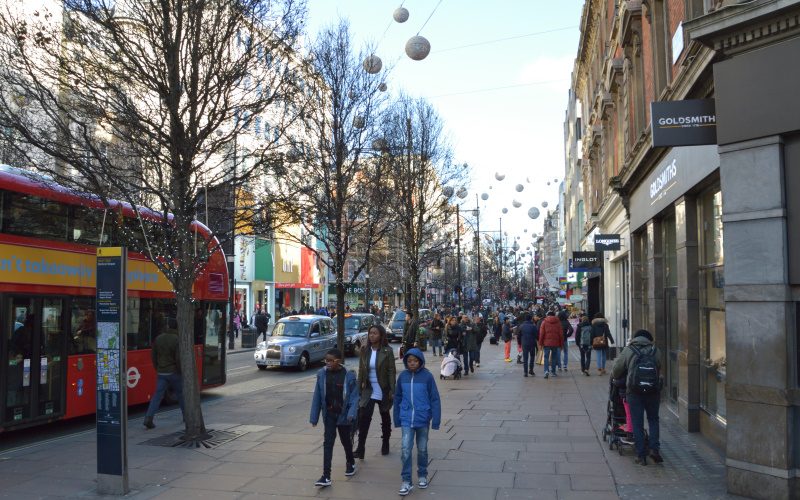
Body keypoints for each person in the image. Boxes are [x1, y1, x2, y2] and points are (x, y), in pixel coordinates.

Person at [611, 329, 663, 466]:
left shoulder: (629, 350)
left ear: (635, 338)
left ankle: (641, 456)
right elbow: (659, 368)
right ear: (649, 339)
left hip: (634, 391)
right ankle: (654, 449)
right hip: (653, 390)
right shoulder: (655, 350)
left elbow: (616, 371)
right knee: (653, 419)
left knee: (637, 422)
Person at [394, 348, 441, 496]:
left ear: (420, 361)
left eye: (414, 361)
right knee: (406, 449)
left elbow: (435, 398)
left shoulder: (427, 377)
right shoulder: (402, 377)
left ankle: (422, 475)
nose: (412, 363)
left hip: (422, 419)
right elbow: (397, 398)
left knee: (422, 449)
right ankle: (406, 480)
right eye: (409, 361)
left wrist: (436, 420)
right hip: (407, 418)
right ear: (406, 362)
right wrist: (397, 418)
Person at [309, 348, 359, 487]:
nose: (328, 363)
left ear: (338, 361)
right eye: (326, 360)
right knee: (328, 443)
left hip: (344, 416)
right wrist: (314, 417)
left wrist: (351, 414)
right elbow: (317, 396)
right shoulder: (322, 374)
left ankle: (350, 462)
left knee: (345, 441)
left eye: (331, 360)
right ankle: (326, 476)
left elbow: (354, 397)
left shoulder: (349, 375)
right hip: (329, 414)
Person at [355, 324, 396, 458]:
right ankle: (360, 448)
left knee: (385, 416)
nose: (372, 335)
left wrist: (392, 389)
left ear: (381, 335)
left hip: (383, 388)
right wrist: (358, 388)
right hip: (369, 388)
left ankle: (385, 442)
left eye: (375, 333)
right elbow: (361, 370)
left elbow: (391, 371)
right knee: (364, 417)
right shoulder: (365, 350)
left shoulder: (387, 351)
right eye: (370, 333)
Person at [143, 326, 183, 429]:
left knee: (157, 396)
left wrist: (157, 368)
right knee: (181, 394)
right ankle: (186, 416)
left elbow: (153, 356)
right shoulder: (176, 339)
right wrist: (180, 370)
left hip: (162, 372)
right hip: (173, 372)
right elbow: (178, 358)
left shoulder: (158, 338)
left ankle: (149, 417)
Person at [538, 311, 563, 379]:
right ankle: (553, 372)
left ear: (547, 315)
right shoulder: (558, 323)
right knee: (554, 358)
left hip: (546, 343)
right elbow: (561, 334)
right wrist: (561, 344)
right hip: (556, 343)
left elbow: (541, 334)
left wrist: (540, 343)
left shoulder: (544, 322)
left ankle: (546, 371)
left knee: (546, 357)